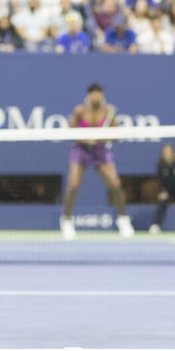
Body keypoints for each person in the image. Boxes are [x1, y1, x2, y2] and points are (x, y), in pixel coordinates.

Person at [59, 83, 135, 240]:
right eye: (93, 93)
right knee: (73, 186)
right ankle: (66, 221)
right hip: (80, 151)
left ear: (102, 95)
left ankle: (123, 220)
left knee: (115, 184)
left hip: (100, 152)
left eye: (98, 93)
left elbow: (116, 136)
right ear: (88, 95)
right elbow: (70, 131)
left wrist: (103, 138)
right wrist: (87, 139)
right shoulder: (80, 111)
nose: (96, 96)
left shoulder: (108, 112)